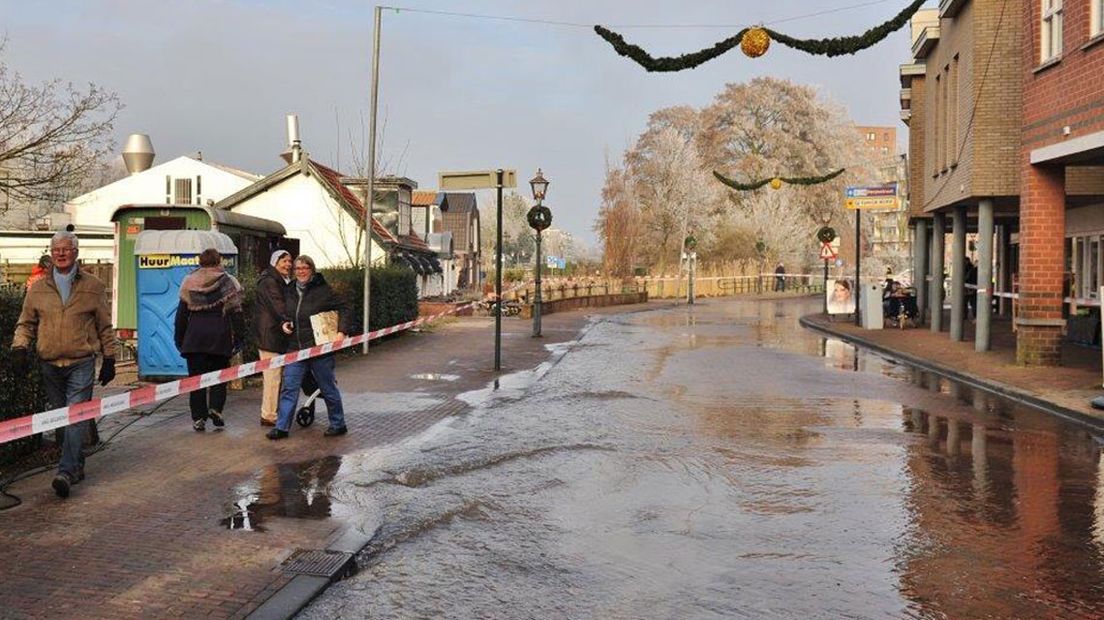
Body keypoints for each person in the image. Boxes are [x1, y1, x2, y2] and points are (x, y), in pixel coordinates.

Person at [11, 230, 116, 498]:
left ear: (76, 253)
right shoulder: (37, 288)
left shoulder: (93, 286)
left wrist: (110, 357)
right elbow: (26, 323)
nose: (60, 253)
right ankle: (77, 465)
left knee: (75, 417)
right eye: (56, 249)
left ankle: (66, 472)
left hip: (80, 362)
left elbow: (105, 325)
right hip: (49, 363)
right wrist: (20, 347)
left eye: (66, 248)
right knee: (61, 419)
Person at [267, 255, 350, 440]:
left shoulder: (323, 290)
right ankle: (281, 427)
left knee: (327, 387)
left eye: (305, 268)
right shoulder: (288, 290)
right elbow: (286, 314)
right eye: (297, 269)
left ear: (311, 270)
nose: (301, 271)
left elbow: (345, 308)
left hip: (320, 349)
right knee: (289, 388)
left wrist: (341, 331)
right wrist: (284, 323)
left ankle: (338, 424)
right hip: (295, 348)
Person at [174, 248, 244, 432]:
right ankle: (216, 409)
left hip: (195, 339)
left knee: (195, 380)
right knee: (219, 377)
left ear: (200, 261)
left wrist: (179, 339)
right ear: (218, 261)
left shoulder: (189, 281)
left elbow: (181, 315)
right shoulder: (228, 282)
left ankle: (198, 418)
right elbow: (236, 313)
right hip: (219, 338)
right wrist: (239, 338)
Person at [255, 249, 293, 427]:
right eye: (283, 261)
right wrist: (288, 319)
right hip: (270, 336)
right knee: (272, 377)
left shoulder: (278, 280)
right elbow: (278, 305)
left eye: (289, 261)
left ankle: (271, 412)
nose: (288, 265)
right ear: (274, 262)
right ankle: (269, 415)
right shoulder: (271, 282)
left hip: (274, 334)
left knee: (275, 376)